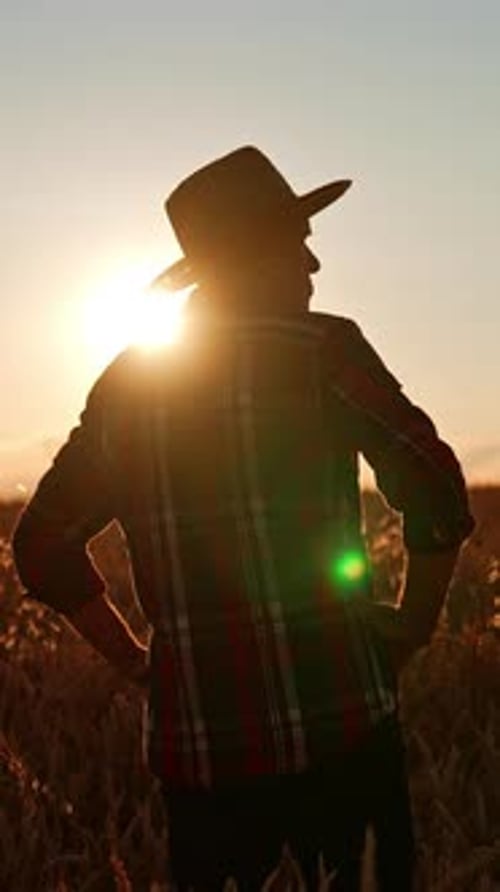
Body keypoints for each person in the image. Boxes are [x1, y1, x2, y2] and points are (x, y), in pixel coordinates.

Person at [13, 146, 474, 891]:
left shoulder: (128, 388)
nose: (312, 268)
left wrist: (140, 663)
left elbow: (40, 546)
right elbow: (437, 492)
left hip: (202, 771)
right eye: (300, 245)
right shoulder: (326, 351)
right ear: (256, 255)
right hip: (344, 736)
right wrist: (414, 626)